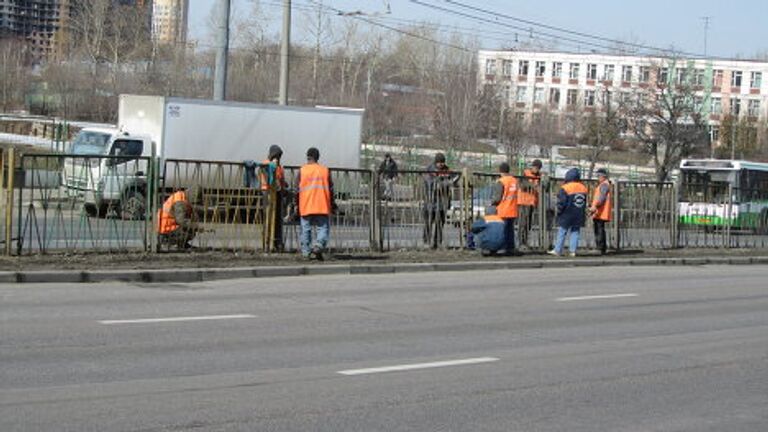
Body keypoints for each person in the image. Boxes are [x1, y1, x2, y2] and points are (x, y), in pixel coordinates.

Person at [295, 147, 335, 260]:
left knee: (305, 229)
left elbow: (296, 190)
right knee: (322, 228)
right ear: (317, 157)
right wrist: (332, 203)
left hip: (306, 205)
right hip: (321, 205)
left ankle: (306, 253)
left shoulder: (302, 171)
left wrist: (295, 204)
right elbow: (331, 189)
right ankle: (318, 246)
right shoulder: (325, 170)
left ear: (307, 157)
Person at [548, 168, 588, 257]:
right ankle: (572, 251)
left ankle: (558, 250)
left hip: (567, 213)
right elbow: (584, 202)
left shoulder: (565, 187)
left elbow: (562, 202)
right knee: (575, 232)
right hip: (579, 213)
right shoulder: (583, 187)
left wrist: (558, 211)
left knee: (562, 231)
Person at [422, 153, 457, 249]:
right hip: (430, 201)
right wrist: (445, 183)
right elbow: (431, 184)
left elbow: (453, 179)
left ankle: (438, 242)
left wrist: (453, 181)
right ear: (436, 162)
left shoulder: (447, 170)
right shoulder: (430, 170)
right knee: (428, 222)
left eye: (442, 162)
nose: (441, 164)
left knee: (440, 223)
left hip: (442, 202)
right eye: (439, 162)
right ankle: (426, 241)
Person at [259, 145, 287, 251]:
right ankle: (267, 243)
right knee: (268, 220)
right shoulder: (266, 164)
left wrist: (284, 187)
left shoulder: (279, 166)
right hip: (267, 194)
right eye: (276, 155)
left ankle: (277, 242)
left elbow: (281, 180)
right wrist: (273, 165)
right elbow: (268, 176)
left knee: (277, 220)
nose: (278, 158)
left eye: (279, 156)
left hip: (277, 194)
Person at [157, 185, 203, 249]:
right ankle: (169, 243)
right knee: (190, 230)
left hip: (169, 225)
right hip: (166, 229)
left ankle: (181, 244)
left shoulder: (183, 197)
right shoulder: (180, 201)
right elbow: (181, 220)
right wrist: (195, 226)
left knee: (190, 228)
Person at [491, 162, 519, 255]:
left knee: (501, 231)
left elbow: (497, 197)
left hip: (503, 209)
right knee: (510, 231)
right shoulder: (514, 180)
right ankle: (510, 248)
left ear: (500, 171)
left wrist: (492, 203)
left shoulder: (501, 181)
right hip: (513, 209)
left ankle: (502, 248)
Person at [517, 159, 542, 248]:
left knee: (529, 224)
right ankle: (521, 242)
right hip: (524, 202)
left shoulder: (539, 176)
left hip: (532, 202)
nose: (537, 170)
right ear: (532, 166)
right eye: (535, 167)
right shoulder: (525, 173)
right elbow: (521, 185)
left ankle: (525, 241)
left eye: (538, 168)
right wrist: (533, 186)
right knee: (523, 223)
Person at [589, 168, 612, 255]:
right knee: (600, 229)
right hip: (600, 210)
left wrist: (595, 206)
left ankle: (600, 248)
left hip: (600, 211)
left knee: (599, 230)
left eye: (598, 176)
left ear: (603, 176)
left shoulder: (604, 185)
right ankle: (602, 248)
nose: (597, 178)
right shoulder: (604, 184)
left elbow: (601, 198)